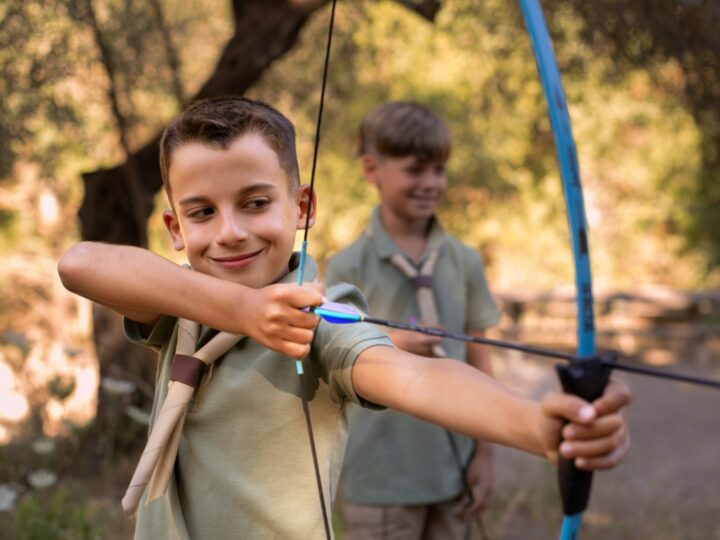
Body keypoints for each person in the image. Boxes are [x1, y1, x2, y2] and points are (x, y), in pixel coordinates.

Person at [57, 96, 631, 540]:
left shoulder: (319, 320)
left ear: (301, 207)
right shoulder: (182, 307)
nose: (230, 231)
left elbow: (412, 376)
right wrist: (244, 310)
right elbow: (81, 263)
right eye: (202, 212)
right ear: (176, 229)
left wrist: (537, 427)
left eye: (256, 203)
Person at [326, 101, 498, 539]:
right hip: (381, 479)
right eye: (415, 170)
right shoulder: (349, 266)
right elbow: (332, 354)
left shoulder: (464, 260)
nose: (431, 183)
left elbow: (481, 358)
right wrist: (391, 343)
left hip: (454, 472)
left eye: (439, 170)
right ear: (372, 169)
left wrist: (484, 454)